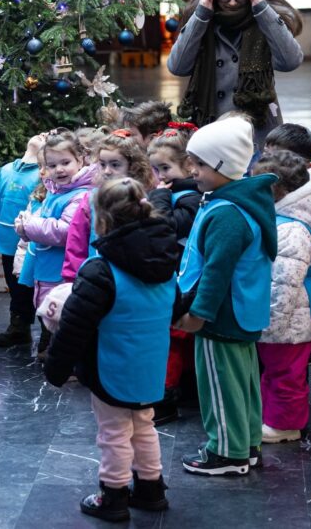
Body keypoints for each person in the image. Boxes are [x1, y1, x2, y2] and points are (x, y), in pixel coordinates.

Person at [44, 178, 179, 522]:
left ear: (102, 221)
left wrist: (56, 368)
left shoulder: (100, 269)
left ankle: (113, 494)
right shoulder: (165, 265)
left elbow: (75, 326)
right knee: (144, 423)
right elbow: (175, 307)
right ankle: (151, 488)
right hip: (151, 365)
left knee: (114, 431)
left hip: (111, 365)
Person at [173, 116, 277, 476]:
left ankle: (226, 453)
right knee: (243, 383)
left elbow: (217, 272)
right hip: (242, 310)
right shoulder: (242, 202)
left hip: (220, 314)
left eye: (200, 164)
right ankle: (247, 445)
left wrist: (198, 314)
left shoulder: (227, 213)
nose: (193, 171)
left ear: (223, 165)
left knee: (220, 384)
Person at [168, 0, 304, 150]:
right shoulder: (201, 17)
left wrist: (262, 9)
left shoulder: (266, 16)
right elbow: (178, 66)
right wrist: (201, 15)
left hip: (258, 130)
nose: (232, 2)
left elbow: (290, 61)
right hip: (210, 127)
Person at [250, 150, 311, 443]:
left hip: (288, 322)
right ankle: (271, 417)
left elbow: (285, 283)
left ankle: (286, 424)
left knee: (286, 375)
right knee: (276, 372)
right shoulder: (284, 220)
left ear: (276, 191)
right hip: (284, 320)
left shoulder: (291, 230)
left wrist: (272, 325)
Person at [16, 131, 97, 360]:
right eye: (52, 165)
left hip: (64, 270)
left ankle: (69, 363)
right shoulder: (55, 190)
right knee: (52, 315)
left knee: (66, 319)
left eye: (65, 163)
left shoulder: (81, 194)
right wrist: (25, 224)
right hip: (48, 267)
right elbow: (44, 218)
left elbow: (65, 231)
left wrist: (29, 225)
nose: (59, 170)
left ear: (80, 160)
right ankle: (57, 354)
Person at [146, 126, 202, 425]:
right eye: (156, 170)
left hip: (184, 279)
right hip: (174, 276)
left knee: (175, 339)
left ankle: (166, 398)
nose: (160, 176)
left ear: (188, 166)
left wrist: (158, 198)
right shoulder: (175, 193)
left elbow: (165, 227)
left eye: (166, 168)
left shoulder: (189, 197)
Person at [62, 130, 153, 283]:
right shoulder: (91, 199)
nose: (107, 171)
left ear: (132, 166)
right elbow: (76, 244)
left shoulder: (143, 198)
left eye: (115, 165)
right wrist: (73, 280)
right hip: (95, 279)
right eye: (102, 164)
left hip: (132, 280)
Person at [0, 133, 43, 348]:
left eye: (49, 136)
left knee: (30, 287)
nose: (43, 134)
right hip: (6, 240)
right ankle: (18, 327)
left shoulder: (42, 173)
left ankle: (45, 331)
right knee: (15, 287)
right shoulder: (5, 169)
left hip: (29, 243)